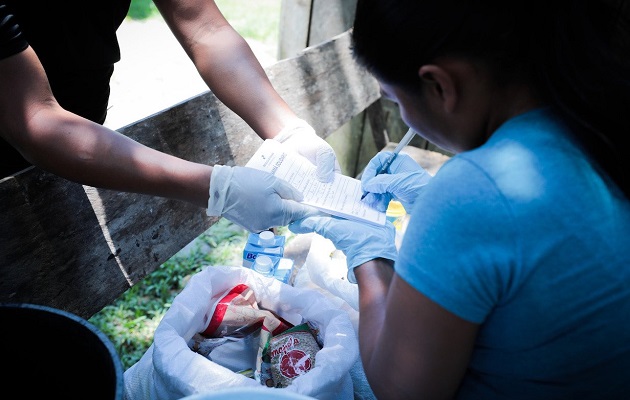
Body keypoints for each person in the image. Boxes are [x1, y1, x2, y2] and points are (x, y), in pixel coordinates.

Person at [289, 0, 630, 398]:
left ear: (441, 86)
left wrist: (370, 257)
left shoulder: (474, 191)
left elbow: (402, 389)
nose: (403, 112)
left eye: (396, 101)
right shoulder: (602, 122)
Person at [0, 0, 338, 233]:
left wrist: (288, 129)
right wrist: (219, 189)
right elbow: (33, 117)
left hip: (74, 149)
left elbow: (203, 26)